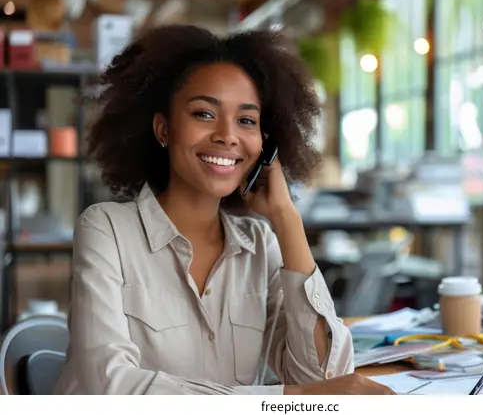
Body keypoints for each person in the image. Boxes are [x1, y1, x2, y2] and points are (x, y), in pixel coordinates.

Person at [54, 25, 394, 395]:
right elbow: (109, 385)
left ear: (265, 146)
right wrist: (283, 398)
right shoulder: (106, 230)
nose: (227, 135)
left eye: (246, 120)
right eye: (204, 113)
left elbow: (326, 379)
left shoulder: (261, 243)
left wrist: (286, 218)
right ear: (163, 129)